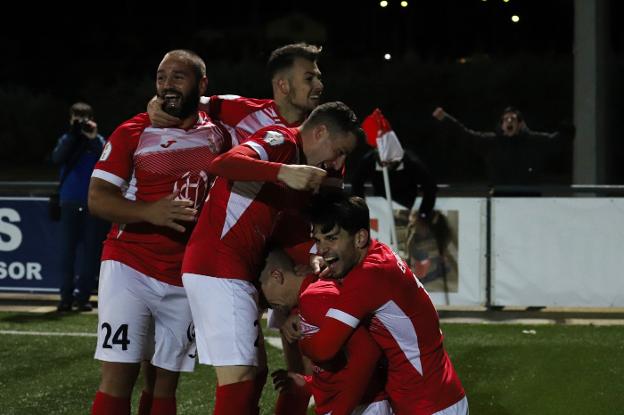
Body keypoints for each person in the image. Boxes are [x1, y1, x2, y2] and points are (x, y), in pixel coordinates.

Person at [180, 101, 362, 415]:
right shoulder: (282, 141)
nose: (338, 162)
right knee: (240, 378)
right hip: (218, 266)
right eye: (340, 150)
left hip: (234, 270)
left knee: (254, 375)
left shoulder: (305, 173)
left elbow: (292, 233)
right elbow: (223, 163)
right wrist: (282, 171)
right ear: (320, 132)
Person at [88, 49, 231, 415]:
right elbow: (98, 199)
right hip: (129, 265)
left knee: (166, 383)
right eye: (161, 77)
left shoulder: (220, 134)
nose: (167, 85)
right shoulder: (133, 131)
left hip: (186, 274)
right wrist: (150, 212)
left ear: (201, 85)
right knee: (119, 375)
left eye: (177, 77)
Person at [299, 193, 468, 415]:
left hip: (428, 405)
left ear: (359, 238)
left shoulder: (369, 276)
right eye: (318, 240)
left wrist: (301, 337)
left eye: (331, 238)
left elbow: (323, 349)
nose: (321, 249)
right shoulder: (377, 255)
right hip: (435, 396)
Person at [260, 249, 392, 415]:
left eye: (262, 288)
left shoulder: (315, 297)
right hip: (356, 403)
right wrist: (306, 383)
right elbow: (335, 368)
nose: (268, 304)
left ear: (276, 276)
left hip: (364, 406)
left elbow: (367, 354)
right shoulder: (306, 301)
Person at [51, 102, 109, 312]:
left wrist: (92, 138)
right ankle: (65, 297)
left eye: (84, 118)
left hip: (93, 204)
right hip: (69, 203)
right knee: (67, 253)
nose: (80, 122)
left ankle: (83, 297)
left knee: (90, 254)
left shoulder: (97, 140)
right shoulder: (67, 140)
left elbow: (108, 158)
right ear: (70, 119)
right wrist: (73, 136)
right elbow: (56, 158)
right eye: (76, 118)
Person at [432, 106, 565, 187]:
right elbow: (466, 135)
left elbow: (555, 141)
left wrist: (568, 129)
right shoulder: (491, 142)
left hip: (528, 200)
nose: (509, 121)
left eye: (513, 119)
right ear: (501, 125)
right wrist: (446, 119)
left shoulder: (532, 141)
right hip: (500, 201)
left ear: (520, 125)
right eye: (506, 119)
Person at [351, 147, 437, 222]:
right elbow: (356, 183)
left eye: (391, 162)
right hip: (380, 203)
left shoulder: (410, 161)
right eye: (384, 162)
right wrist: (361, 208)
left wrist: (423, 213)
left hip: (405, 203)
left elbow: (430, 186)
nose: (387, 165)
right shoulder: (369, 160)